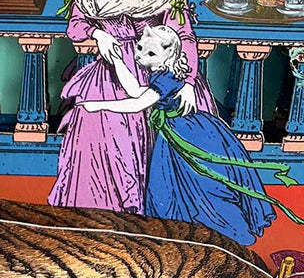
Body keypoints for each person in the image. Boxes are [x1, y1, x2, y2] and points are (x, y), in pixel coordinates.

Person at [49, 0, 216, 213]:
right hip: (112, 71)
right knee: (104, 135)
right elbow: (76, 26)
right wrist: (98, 33)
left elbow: (183, 34)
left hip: (158, 70)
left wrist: (188, 82)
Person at [81, 26, 302, 244]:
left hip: (188, 133)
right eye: (140, 49)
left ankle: (225, 235)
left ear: (169, 53)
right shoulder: (161, 72)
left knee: (201, 186)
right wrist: (118, 61)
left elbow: (139, 102)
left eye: (150, 53)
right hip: (174, 133)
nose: (140, 56)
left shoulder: (167, 78)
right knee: (175, 186)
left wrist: (99, 105)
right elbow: (136, 91)